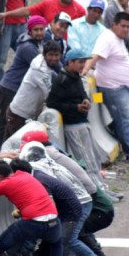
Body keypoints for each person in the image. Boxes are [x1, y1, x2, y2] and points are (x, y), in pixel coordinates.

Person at [9, 159, 101, 256]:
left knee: (60, 248)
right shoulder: (35, 175)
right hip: (65, 213)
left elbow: (50, 206)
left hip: (69, 215)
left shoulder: (39, 181)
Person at [82, 12, 129, 163]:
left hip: (125, 86)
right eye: (122, 26)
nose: (126, 30)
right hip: (113, 88)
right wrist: (85, 70)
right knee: (125, 120)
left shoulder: (118, 38)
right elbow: (95, 56)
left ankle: (115, 127)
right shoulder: (107, 38)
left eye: (128, 27)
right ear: (114, 25)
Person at [47, 48, 105, 187]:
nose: (83, 65)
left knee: (94, 158)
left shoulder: (76, 76)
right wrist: (75, 108)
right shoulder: (62, 80)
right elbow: (52, 103)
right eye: (80, 62)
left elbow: (81, 93)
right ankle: (97, 191)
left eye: (84, 62)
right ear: (70, 62)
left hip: (83, 123)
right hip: (73, 126)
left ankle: (102, 187)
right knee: (86, 161)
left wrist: (85, 100)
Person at [0, 15, 48, 152]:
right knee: (5, 122)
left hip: (17, 88)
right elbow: (42, 68)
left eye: (42, 29)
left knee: (10, 123)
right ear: (30, 31)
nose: (40, 33)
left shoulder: (38, 43)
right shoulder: (28, 47)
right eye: (36, 30)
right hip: (10, 87)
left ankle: (2, 151)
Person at [4, 40, 63, 140]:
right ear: (44, 54)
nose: (54, 58)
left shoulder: (44, 62)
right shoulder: (40, 70)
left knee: (9, 146)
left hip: (23, 113)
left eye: (57, 55)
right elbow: (51, 95)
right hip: (19, 115)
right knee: (18, 148)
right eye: (51, 55)